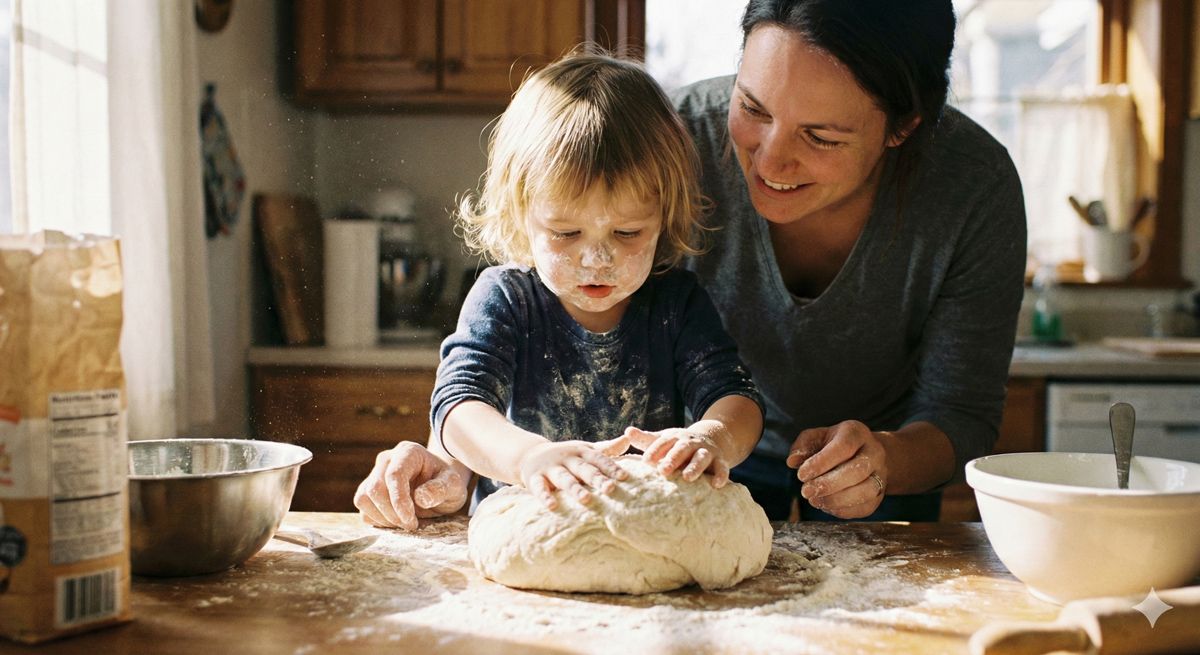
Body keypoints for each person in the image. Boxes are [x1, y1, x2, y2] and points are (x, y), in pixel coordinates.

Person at [354, 0, 1026, 528]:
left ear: (902, 127)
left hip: (827, 467)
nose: (768, 160)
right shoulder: (666, 143)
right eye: (752, 107)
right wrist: (452, 461)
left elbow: (959, 414)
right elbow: (478, 379)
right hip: (687, 473)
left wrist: (882, 458)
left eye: (821, 136)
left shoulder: (973, 190)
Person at [355, 52, 764, 526]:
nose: (597, 259)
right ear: (520, 215)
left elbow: (736, 398)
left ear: (663, 219)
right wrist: (527, 458)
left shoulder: (676, 303)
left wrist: (711, 437)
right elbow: (460, 407)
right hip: (524, 529)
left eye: (627, 232)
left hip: (642, 528)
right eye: (566, 234)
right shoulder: (506, 300)